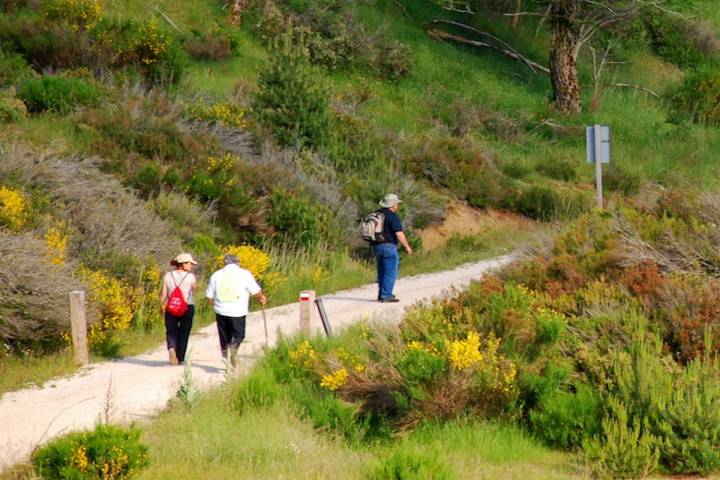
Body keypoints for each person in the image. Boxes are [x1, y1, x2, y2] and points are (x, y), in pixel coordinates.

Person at [206, 254, 267, 363]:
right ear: (237, 263)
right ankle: (233, 349)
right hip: (237, 311)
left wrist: (216, 306)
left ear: (225, 263)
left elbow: (209, 297)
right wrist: (261, 297)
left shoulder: (216, 275)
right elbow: (255, 290)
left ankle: (225, 356)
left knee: (224, 335)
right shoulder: (244, 274)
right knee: (239, 335)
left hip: (221, 310)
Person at [159, 253, 197, 366]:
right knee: (184, 332)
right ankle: (180, 358)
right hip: (187, 306)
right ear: (183, 264)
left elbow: (163, 294)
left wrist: (160, 306)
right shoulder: (190, 277)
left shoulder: (168, 276)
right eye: (190, 263)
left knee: (171, 331)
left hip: (171, 307)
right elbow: (195, 290)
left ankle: (171, 349)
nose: (191, 266)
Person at [374, 193, 412, 303]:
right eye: (396, 204)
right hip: (389, 246)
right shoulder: (392, 216)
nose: (397, 206)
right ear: (393, 205)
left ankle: (382, 293)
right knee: (390, 272)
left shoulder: (377, 214)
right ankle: (386, 295)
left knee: (382, 271)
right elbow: (399, 234)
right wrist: (407, 246)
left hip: (377, 246)